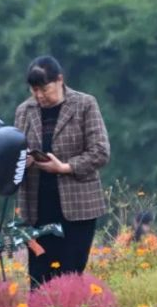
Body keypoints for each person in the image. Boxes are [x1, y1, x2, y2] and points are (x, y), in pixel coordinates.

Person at [14, 55, 111, 287]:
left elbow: (100, 151)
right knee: (39, 277)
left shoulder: (85, 104)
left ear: (60, 80)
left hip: (77, 209)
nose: (39, 95)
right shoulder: (24, 111)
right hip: (37, 208)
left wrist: (65, 167)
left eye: (44, 89)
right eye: (33, 90)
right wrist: (23, 161)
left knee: (70, 276)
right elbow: (14, 149)